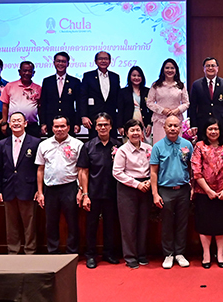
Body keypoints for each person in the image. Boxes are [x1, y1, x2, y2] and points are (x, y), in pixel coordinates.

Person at [190, 117, 223, 268]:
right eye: (210, 129)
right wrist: (208, 191)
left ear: (220, 130)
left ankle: (221, 253)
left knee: (221, 224)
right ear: (205, 131)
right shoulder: (199, 146)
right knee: (204, 224)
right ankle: (206, 254)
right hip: (204, 193)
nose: (213, 132)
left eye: (216, 129)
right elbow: (196, 171)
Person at [150, 115, 195, 269]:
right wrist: (155, 194)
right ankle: (168, 254)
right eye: (170, 126)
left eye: (176, 125)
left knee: (182, 223)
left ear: (181, 127)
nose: (173, 128)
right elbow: (154, 172)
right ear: (164, 127)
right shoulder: (157, 147)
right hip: (165, 190)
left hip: (183, 189)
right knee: (167, 223)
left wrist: (193, 187)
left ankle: (180, 253)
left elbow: (192, 168)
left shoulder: (187, 145)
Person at [77, 112, 122, 268]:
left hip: (112, 193)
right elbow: (83, 171)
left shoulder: (118, 146)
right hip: (93, 193)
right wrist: (85, 194)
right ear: (95, 127)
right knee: (91, 226)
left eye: (106, 124)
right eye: (100, 125)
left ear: (110, 126)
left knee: (111, 225)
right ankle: (90, 255)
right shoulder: (88, 146)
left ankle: (109, 253)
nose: (103, 127)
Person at [35, 116, 83, 254]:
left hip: (70, 187)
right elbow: (40, 169)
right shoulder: (44, 145)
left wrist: (80, 190)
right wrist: (40, 192)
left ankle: (72, 252)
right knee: (51, 222)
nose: (59, 129)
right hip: (50, 188)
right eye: (56, 126)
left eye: (62, 126)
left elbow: (81, 169)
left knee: (72, 222)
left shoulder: (77, 144)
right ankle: (53, 252)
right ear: (52, 128)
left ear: (68, 127)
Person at [0, 111, 41, 255]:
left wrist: (38, 190)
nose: (16, 123)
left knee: (29, 224)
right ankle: (13, 251)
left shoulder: (35, 142)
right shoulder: (2, 144)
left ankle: (30, 251)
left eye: (19, 121)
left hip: (28, 188)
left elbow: (38, 168)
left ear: (25, 124)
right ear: (9, 124)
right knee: (11, 224)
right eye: (13, 121)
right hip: (8, 188)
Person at [113, 119, 154, 269]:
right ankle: (130, 256)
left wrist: (149, 181)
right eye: (132, 130)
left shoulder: (149, 148)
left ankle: (142, 254)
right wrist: (137, 184)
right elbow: (117, 172)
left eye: (138, 130)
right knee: (128, 224)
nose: (135, 133)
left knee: (143, 222)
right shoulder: (122, 150)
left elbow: (155, 168)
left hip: (146, 186)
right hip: (128, 188)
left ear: (142, 132)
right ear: (126, 133)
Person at [188, 57, 223, 141]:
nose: (210, 68)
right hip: (202, 123)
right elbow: (193, 106)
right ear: (204, 69)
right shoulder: (197, 85)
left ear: (217, 68)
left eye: (213, 65)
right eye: (207, 66)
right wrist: (193, 124)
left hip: (220, 123)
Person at [147, 58, 190, 144]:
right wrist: (162, 110)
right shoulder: (156, 85)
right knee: (160, 145)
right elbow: (149, 102)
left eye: (172, 68)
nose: (169, 70)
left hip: (176, 120)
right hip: (160, 121)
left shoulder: (180, 85)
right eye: (167, 68)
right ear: (163, 70)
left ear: (176, 70)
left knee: (176, 145)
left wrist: (177, 110)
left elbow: (186, 103)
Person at [80, 51, 120, 138]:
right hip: (93, 117)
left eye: (106, 59)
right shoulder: (88, 76)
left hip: (111, 117)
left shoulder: (115, 77)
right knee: (94, 144)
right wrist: (84, 116)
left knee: (112, 143)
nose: (103, 61)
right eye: (100, 59)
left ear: (110, 61)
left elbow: (118, 98)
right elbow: (83, 97)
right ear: (95, 61)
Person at [39, 51, 81, 136]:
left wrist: (77, 123)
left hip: (69, 122)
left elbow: (79, 104)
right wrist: (43, 123)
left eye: (63, 61)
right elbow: (43, 103)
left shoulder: (75, 82)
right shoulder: (47, 81)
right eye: (58, 61)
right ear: (54, 63)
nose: (60, 64)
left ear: (68, 64)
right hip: (51, 122)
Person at [1, 61, 42, 137]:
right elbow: (5, 106)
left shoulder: (38, 88)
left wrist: (42, 124)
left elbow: (40, 108)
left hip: (32, 126)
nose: (27, 73)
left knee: (33, 147)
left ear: (33, 73)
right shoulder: (10, 86)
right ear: (19, 72)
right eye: (24, 71)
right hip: (14, 125)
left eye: (29, 71)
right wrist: (4, 123)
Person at [116, 66, 153, 140]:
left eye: (139, 76)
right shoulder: (123, 92)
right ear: (129, 77)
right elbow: (120, 110)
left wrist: (150, 124)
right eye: (134, 75)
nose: (136, 78)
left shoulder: (148, 91)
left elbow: (151, 110)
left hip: (144, 124)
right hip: (128, 124)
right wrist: (120, 126)